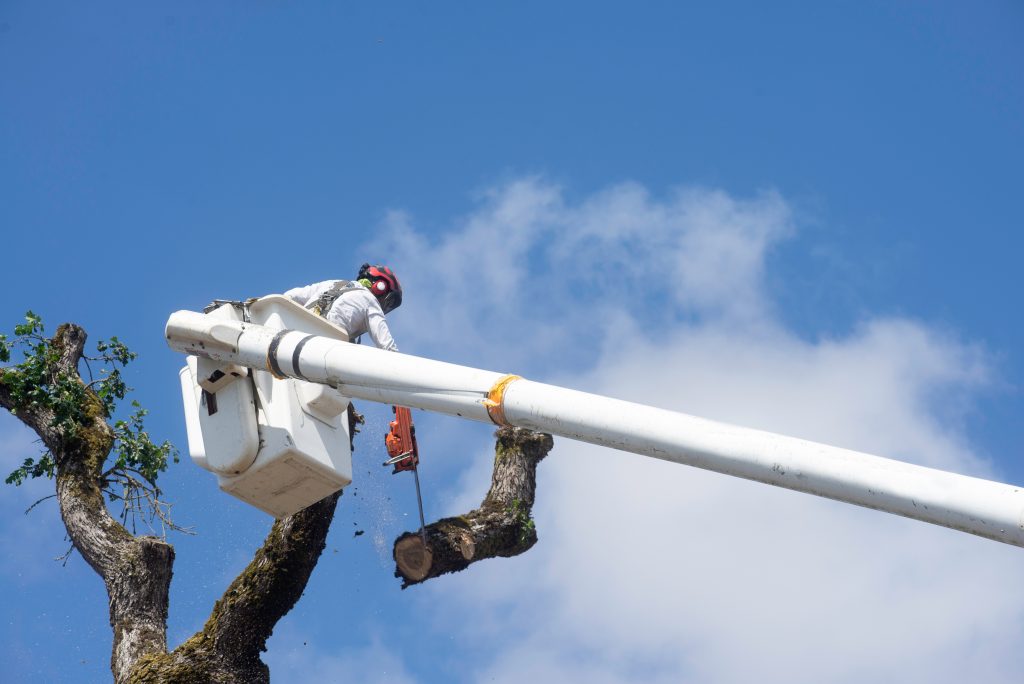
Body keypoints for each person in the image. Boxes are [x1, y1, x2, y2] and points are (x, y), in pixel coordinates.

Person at [283, 263, 402, 351]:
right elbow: (386, 345)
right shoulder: (371, 301)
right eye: (389, 301)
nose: (385, 306)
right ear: (380, 286)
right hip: (327, 345)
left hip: (297, 334)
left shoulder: (333, 283)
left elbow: (292, 295)